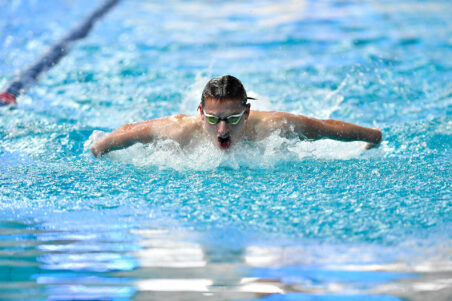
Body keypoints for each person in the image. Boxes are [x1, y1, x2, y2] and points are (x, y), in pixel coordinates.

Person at [90, 75, 382, 157]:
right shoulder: (178, 131)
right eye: (213, 118)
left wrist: (371, 138)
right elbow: (130, 131)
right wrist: (100, 147)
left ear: (247, 113)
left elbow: (323, 127)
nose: (222, 130)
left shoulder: (272, 127)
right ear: (201, 113)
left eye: (231, 118)